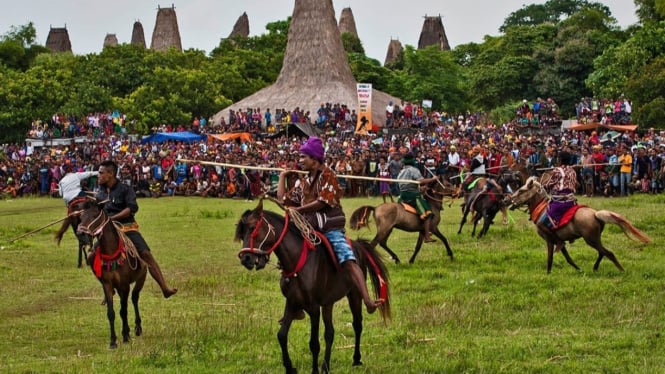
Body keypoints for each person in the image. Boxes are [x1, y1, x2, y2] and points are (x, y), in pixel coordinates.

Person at [277, 137, 383, 316]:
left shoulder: (329, 175)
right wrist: (282, 177)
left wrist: (299, 209)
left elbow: (322, 202)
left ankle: (367, 300)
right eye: (300, 157)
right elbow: (283, 200)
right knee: (287, 260)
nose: (300, 161)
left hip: (329, 228)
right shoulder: (304, 181)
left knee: (348, 259)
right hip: (308, 229)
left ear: (315, 159)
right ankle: (296, 305)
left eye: (304, 157)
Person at [96, 160, 177, 298]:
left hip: (127, 228)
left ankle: (164, 288)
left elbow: (131, 208)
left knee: (146, 254)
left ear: (111, 174)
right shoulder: (100, 192)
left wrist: (113, 218)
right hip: (108, 231)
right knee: (93, 255)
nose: (99, 175)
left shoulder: (125, 189)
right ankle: (107, 287)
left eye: (101, 173)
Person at [396, 152, 439, 242]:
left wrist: (420, 189)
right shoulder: (413, 170)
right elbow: (421, 181)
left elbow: (408, 185)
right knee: (428, 213)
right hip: (412, 196)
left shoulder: (401, 171)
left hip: (402, 195)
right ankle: (427, 236)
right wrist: (433, 179)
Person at [538, 150, 578, 234]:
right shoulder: (573, 171)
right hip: (571, 202)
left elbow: (549, 184)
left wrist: (543, 186)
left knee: (540, 224)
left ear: (560, 160)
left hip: (559, 203)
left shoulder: (557, 170)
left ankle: (558, 240)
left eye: (558, 158)